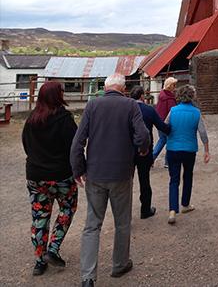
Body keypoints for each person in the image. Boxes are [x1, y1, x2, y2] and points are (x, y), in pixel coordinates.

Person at [70, 73, 150, 286]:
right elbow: (143, 136)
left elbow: (78, 143)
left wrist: (78, 169)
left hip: (95, 174)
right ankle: (119, 264)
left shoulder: (92, 106)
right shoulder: (131, 106)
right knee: (122, 222)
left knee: (92, 225)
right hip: (121, 174)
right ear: (123, 89)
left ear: (105, 88)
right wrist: (141, 149)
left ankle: (88, 277)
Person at [21, 81, 78, 276]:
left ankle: (39, 260)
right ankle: (53, 248)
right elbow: (74, 147)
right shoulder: (64, 119)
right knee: (68, 208)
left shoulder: (31, 119)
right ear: (57, 95)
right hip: (61, 176)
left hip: (36, 177)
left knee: (39, 217)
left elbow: (26, 146)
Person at [163, 85, 210, 225]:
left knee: (174, 179)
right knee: (188, 176)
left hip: (173, 149)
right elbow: (202, 132)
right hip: (189, 150)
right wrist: (207, 150)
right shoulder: (196, 112)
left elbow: (165, 126)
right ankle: (185, 204)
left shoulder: (173, 110)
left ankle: (172, 210)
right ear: (192, 96)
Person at [128, 86, 171, 219]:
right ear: (142, 96)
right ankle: (145, 209)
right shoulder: (148, 110)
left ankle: (124, 213)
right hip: (144, 150)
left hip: (128, 150)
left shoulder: (125, 109)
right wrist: (171, 127)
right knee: (144, 180)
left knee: (126, 183)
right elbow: (161, 126)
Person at [153, 77, 178, 168]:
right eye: (174, 85)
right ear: (170, 86)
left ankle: (152, 158)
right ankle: (168, 162)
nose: (175, 87)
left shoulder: (162, 95)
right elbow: (173, 113)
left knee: (162, 140)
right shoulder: (169, 98)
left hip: (159, 122)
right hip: (166, 123)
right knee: (169, 142)